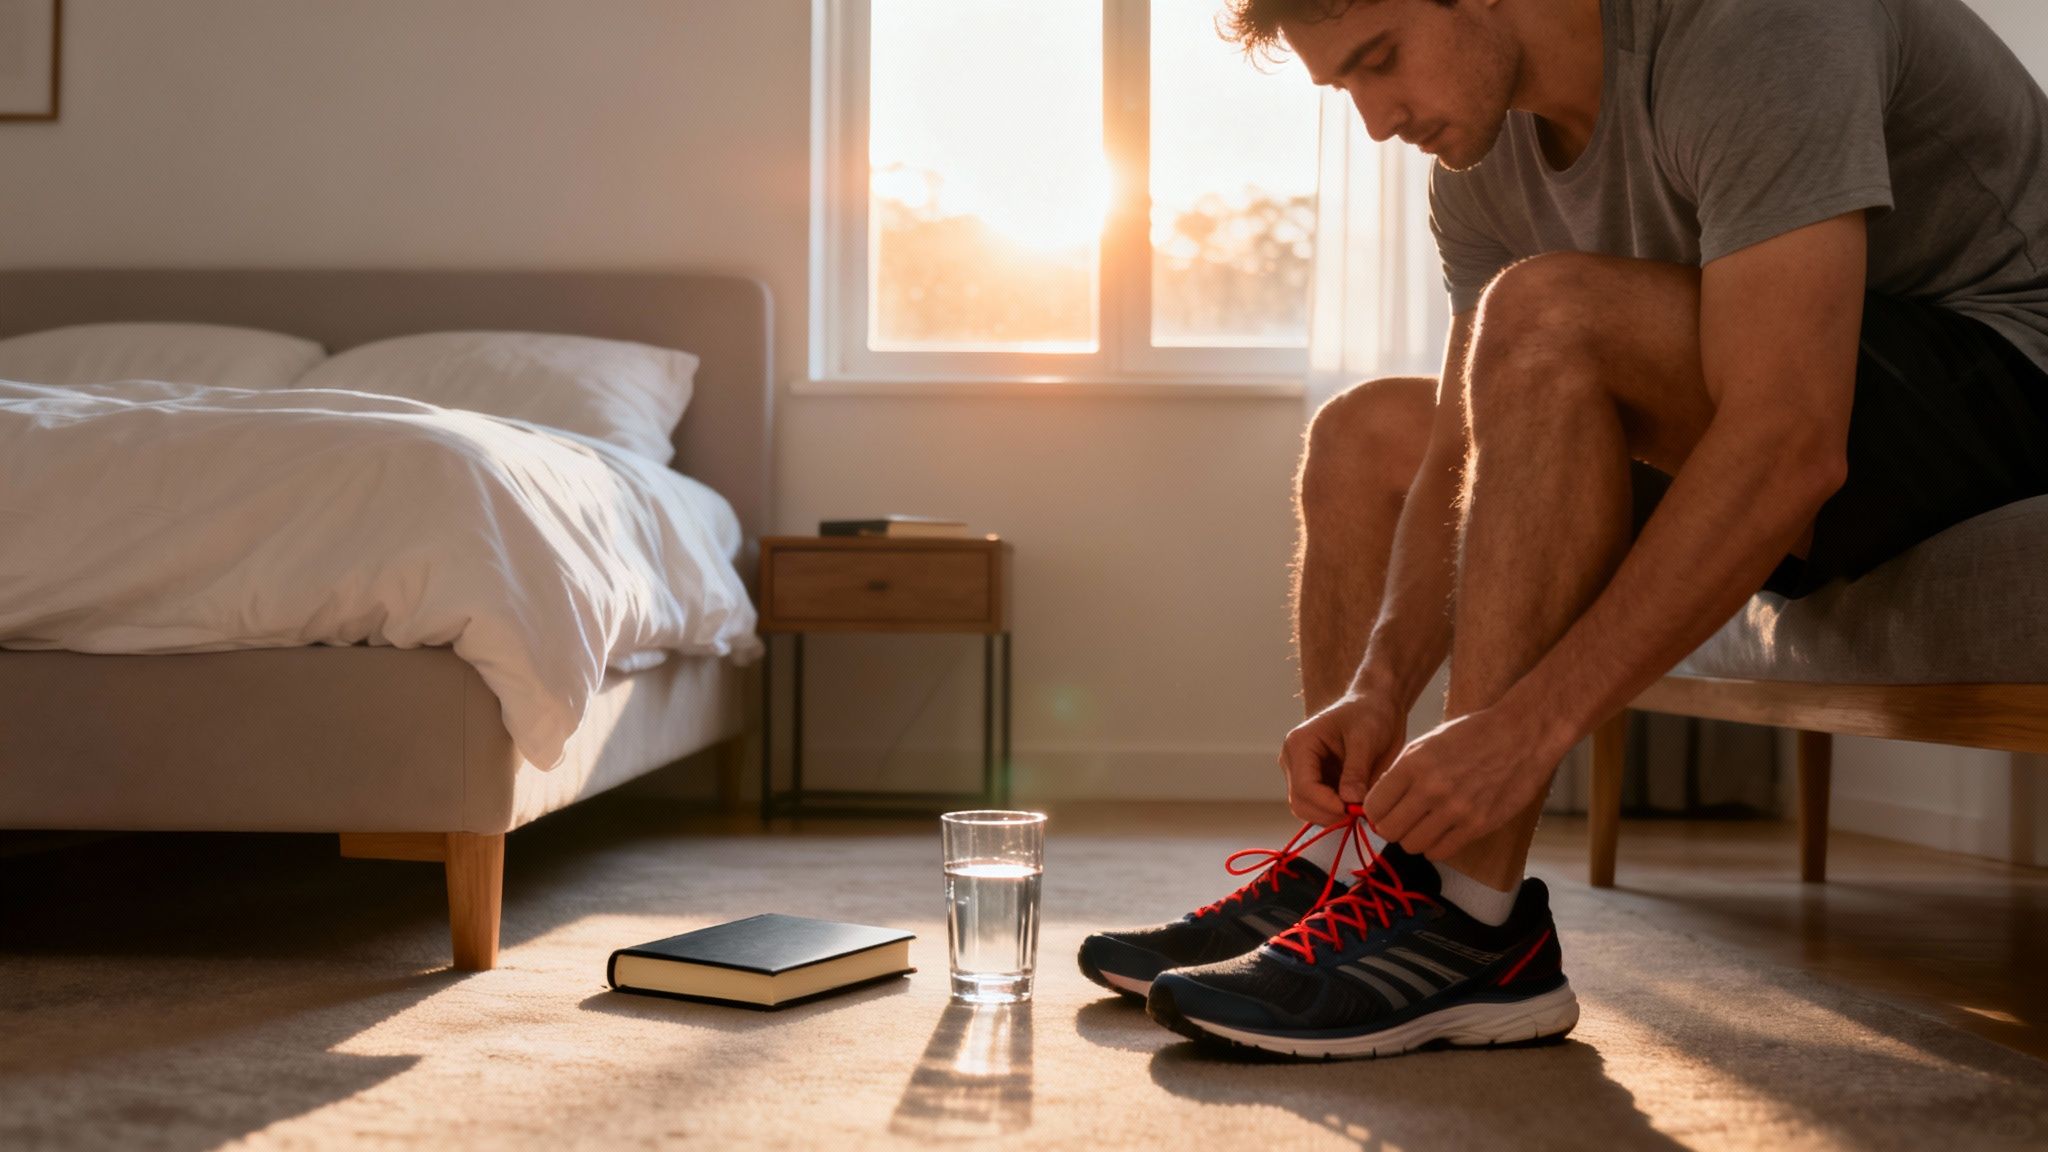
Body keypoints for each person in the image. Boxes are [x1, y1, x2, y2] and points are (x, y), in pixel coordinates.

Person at [1080, 0, 2048, 1060]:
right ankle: (1347, 877)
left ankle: (1466, 924)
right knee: (1368, 435)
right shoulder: (1479, 162)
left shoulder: (1755, 26)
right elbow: (1459, 448)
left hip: (2004, 377)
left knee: (1546, 312)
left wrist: (1523, 730)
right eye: (1343, 87)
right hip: (1771, 395)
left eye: (1379, 61)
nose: (1374, 120)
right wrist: (1379, 682)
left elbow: (1788, 441)